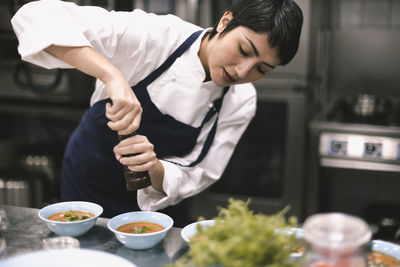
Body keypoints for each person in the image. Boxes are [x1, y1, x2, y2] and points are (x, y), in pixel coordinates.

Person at [11, 0, 303, 226]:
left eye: (261, 69)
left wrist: (154, 168)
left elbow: (201, 171)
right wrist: (112, 76)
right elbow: (36, 15)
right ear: (225, 22)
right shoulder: (157, 36)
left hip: (159, 208)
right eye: (243, 50)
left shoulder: (241, 100)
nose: (242, 71)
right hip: (89, 181)